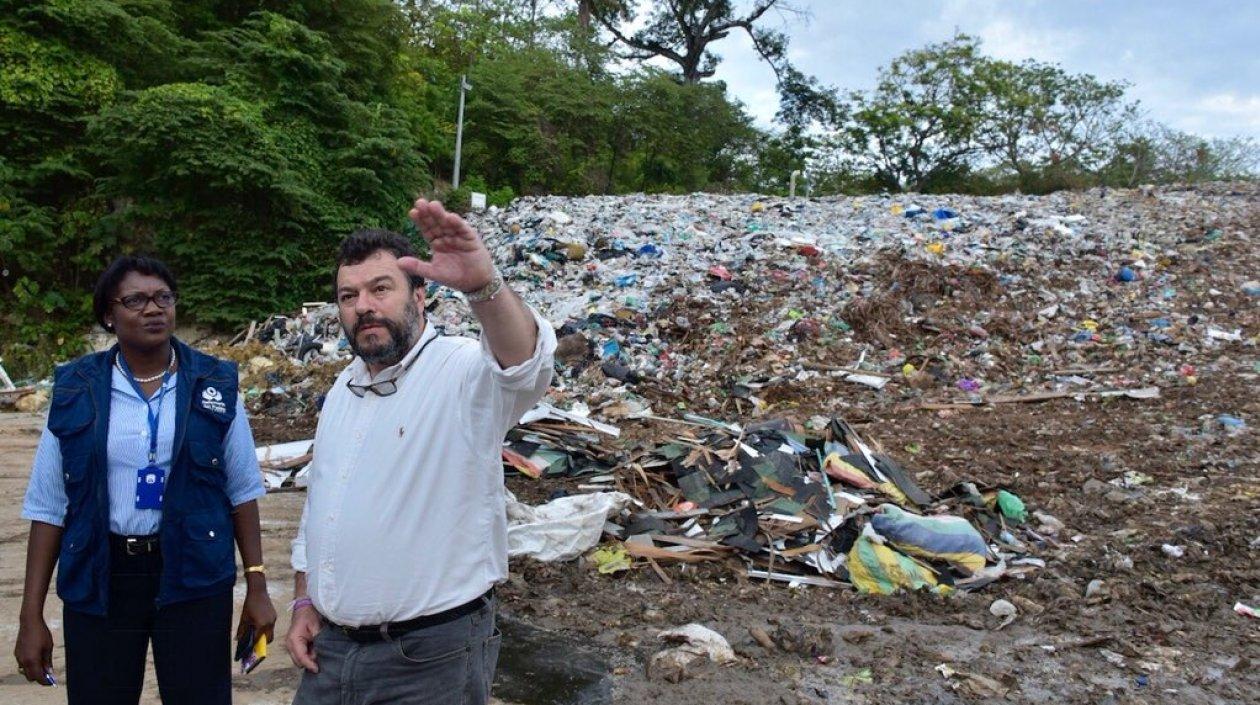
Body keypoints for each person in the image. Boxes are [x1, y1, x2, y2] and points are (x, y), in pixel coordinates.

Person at [284, 200, 556, 704]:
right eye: (349, 295)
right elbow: (320, 509)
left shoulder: (462, 372)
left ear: (421, 295)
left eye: (380, 289)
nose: (363, 305)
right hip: (332, 650)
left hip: (429, 659)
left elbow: (524, 365)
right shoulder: (343, 389)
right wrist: (304, 600)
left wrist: (483, 287)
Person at [14, 255, 277, 704]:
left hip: (193, 572)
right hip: (103, 575)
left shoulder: (214, 383)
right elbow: (48, 506)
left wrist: (257, 585)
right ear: (108, 316)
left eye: (163, 298)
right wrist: (30, 616)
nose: (153, 309)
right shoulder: (76, 388)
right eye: (135, 300)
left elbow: (241, 489)